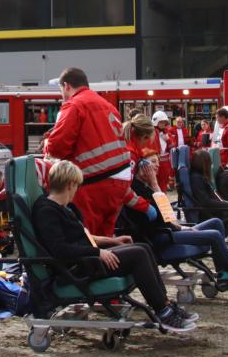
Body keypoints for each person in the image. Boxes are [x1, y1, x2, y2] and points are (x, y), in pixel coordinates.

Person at [31, 160, 197, 332]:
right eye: (77, 185)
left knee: (143, 248)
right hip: (78, 267)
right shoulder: (47, 211)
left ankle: (165, 304)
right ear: (70, 184)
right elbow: (60, 249)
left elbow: (83, 236)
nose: (77, 190)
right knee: (138, 255)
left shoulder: (61, 207)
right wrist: (98, 252)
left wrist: (112, 241)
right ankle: (163, 312)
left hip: (86, 258)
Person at [118, 171, 228, 295]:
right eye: (151, 166)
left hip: (170, 229)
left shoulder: (147, 188)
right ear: (142, 170)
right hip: (160, 236)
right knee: (214, 235)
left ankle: (224, 273)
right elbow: (164, 216)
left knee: (216, 223)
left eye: (157, 164)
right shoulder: (139, 190)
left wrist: (179, 226)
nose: (156, 168)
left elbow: (167, 216)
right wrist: (156, 185)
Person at [43, 67, 154, 237]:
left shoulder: (74, 105)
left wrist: (46, 144)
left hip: (92, 186)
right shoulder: (109, 106)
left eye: (61, 91)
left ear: (66, 86)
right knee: (108, 240)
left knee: (89, 239)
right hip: (119, 186)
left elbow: (57, 148)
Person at [151, 110, 173, 193]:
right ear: (156, 122)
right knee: (155, 186)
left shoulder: (166, 133)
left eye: (164, 122)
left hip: (165, 163)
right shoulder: (151, 133)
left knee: (163, 186)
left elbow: (171, 147)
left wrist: (168, 140)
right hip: (156, 162)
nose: (163, 124)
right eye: (161, 122)